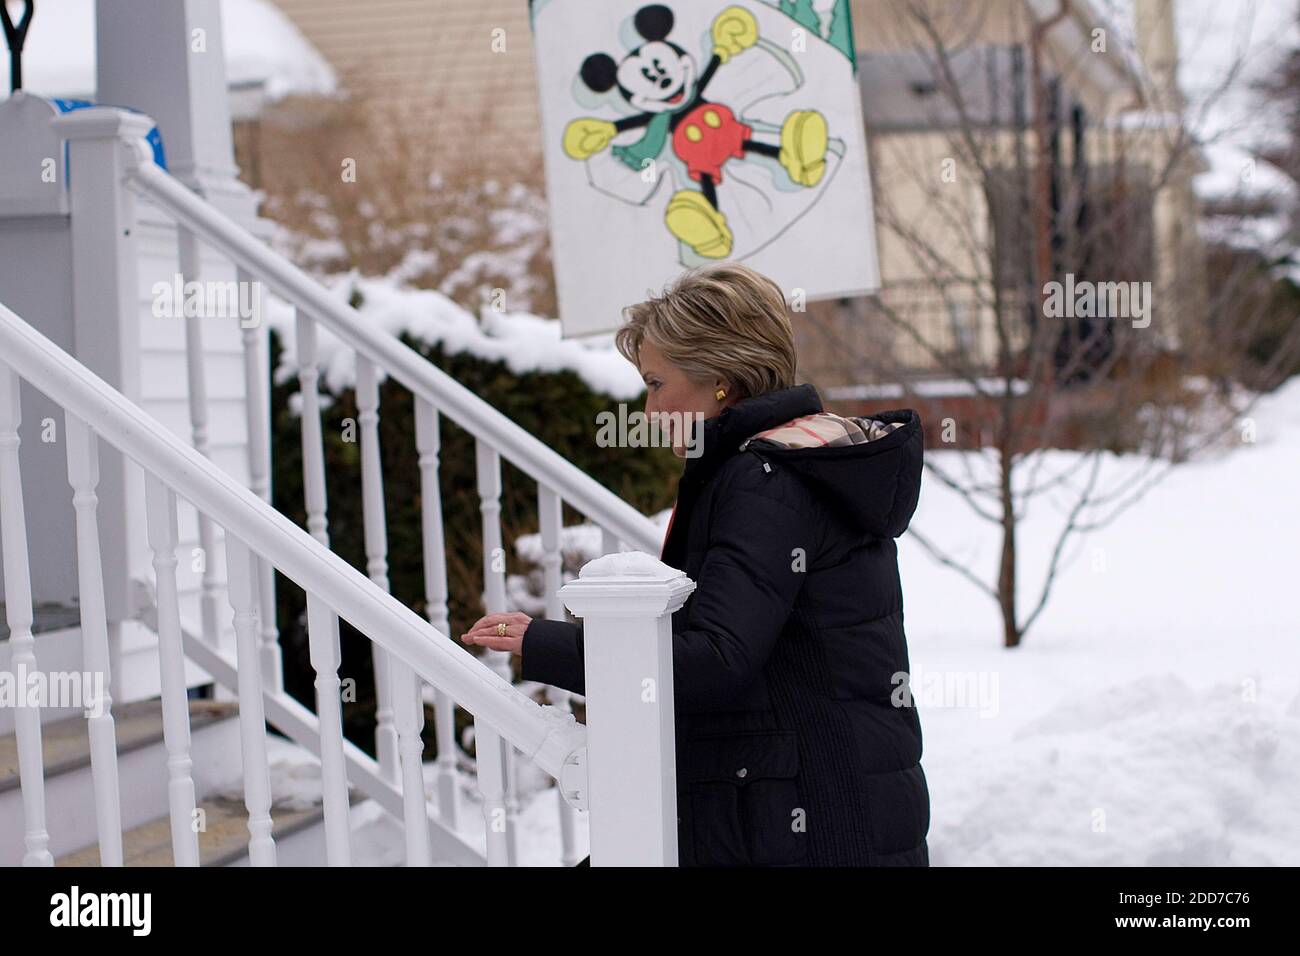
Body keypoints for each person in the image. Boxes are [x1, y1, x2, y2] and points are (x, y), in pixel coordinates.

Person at [461, 262, 930, 866]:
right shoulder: (793, 465)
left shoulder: (765, 481)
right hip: (812, 804)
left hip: (805, 818)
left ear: (719, 378)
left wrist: (547, 645)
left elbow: (718, 659)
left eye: (657, 383)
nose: (649, 408)